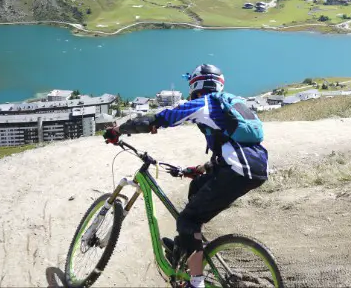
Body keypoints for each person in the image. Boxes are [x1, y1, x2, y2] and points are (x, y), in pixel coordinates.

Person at [103, 64, 268, 288]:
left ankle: (196, 282)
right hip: (251, 166)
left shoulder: (205, 103)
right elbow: (231, 148)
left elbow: (163, 118)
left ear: (196, 85)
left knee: (188, 220)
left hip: (238, 170)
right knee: (197, 188)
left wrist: (120, 130)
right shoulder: (231, 103)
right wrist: (199, 169)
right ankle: (184, 246)